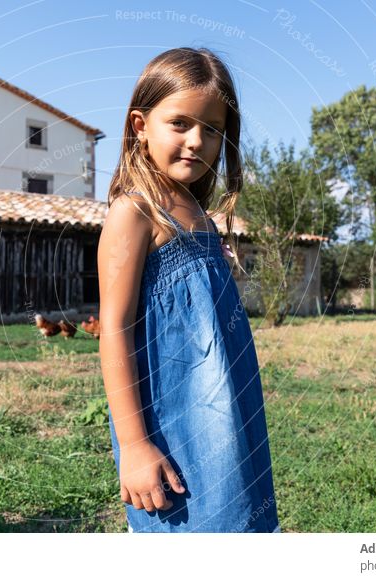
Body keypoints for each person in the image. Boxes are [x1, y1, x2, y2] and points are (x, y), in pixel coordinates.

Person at [97, 47, 281, 533]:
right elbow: (112, 330)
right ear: (140, 125)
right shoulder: (134, 214)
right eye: (180, 123)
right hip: (173, 421)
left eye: (213, 129)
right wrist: (135, 446)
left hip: (225, 408)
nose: (198, 141)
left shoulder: (200, 217)